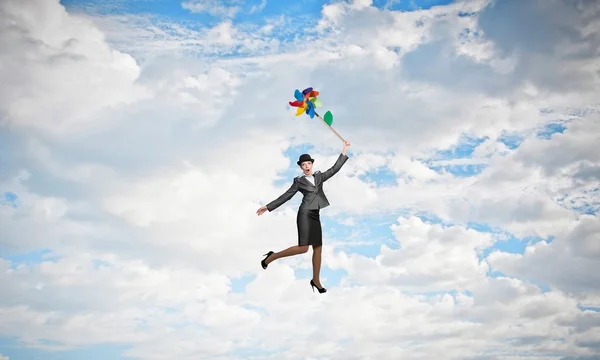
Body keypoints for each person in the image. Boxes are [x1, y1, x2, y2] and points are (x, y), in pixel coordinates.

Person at [256, 140, 351, 294]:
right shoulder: (299, 181)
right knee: (303, 249)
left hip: (315, 214)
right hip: (305, 214)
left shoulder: (319, 177)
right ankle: (272, 257)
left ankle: (316, 280)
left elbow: (334, 169)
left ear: (311, 165)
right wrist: (268, 206)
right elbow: (286, 196)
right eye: (303, 164)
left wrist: (344, 150)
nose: (306, 166)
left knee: (318, 248)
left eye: (308, 163)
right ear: (301, 167)